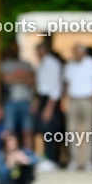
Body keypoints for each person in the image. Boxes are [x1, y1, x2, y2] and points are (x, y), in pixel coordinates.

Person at [62, 43, 92, 172]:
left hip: (88, 99)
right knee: (72, 130)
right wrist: (65, 100)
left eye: (77, 52)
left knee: (88, 131)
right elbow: (67, 84)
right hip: (74, 99)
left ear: (83, 53)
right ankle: (74, 160)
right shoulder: (70, 65)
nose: (74, 55)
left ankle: (88, 161)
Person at [34, 41, 64, 170]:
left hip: (51, 101)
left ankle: (52, 159)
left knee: (50, 130)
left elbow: (55, 87)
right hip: (43, 99)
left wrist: (49, 108)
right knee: (43, 129)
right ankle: (46, 157)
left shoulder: (53, 64)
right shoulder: (41, 65)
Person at [0, 42, 35, 149]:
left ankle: (29, 157)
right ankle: (11, 157)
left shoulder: (26, 64)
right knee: (10, 132)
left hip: (26, 101)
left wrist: (14, 78)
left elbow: (31, 80)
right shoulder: (5, 64)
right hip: (11, 101)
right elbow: (5, 79)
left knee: (27, 131)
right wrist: (22, 78)